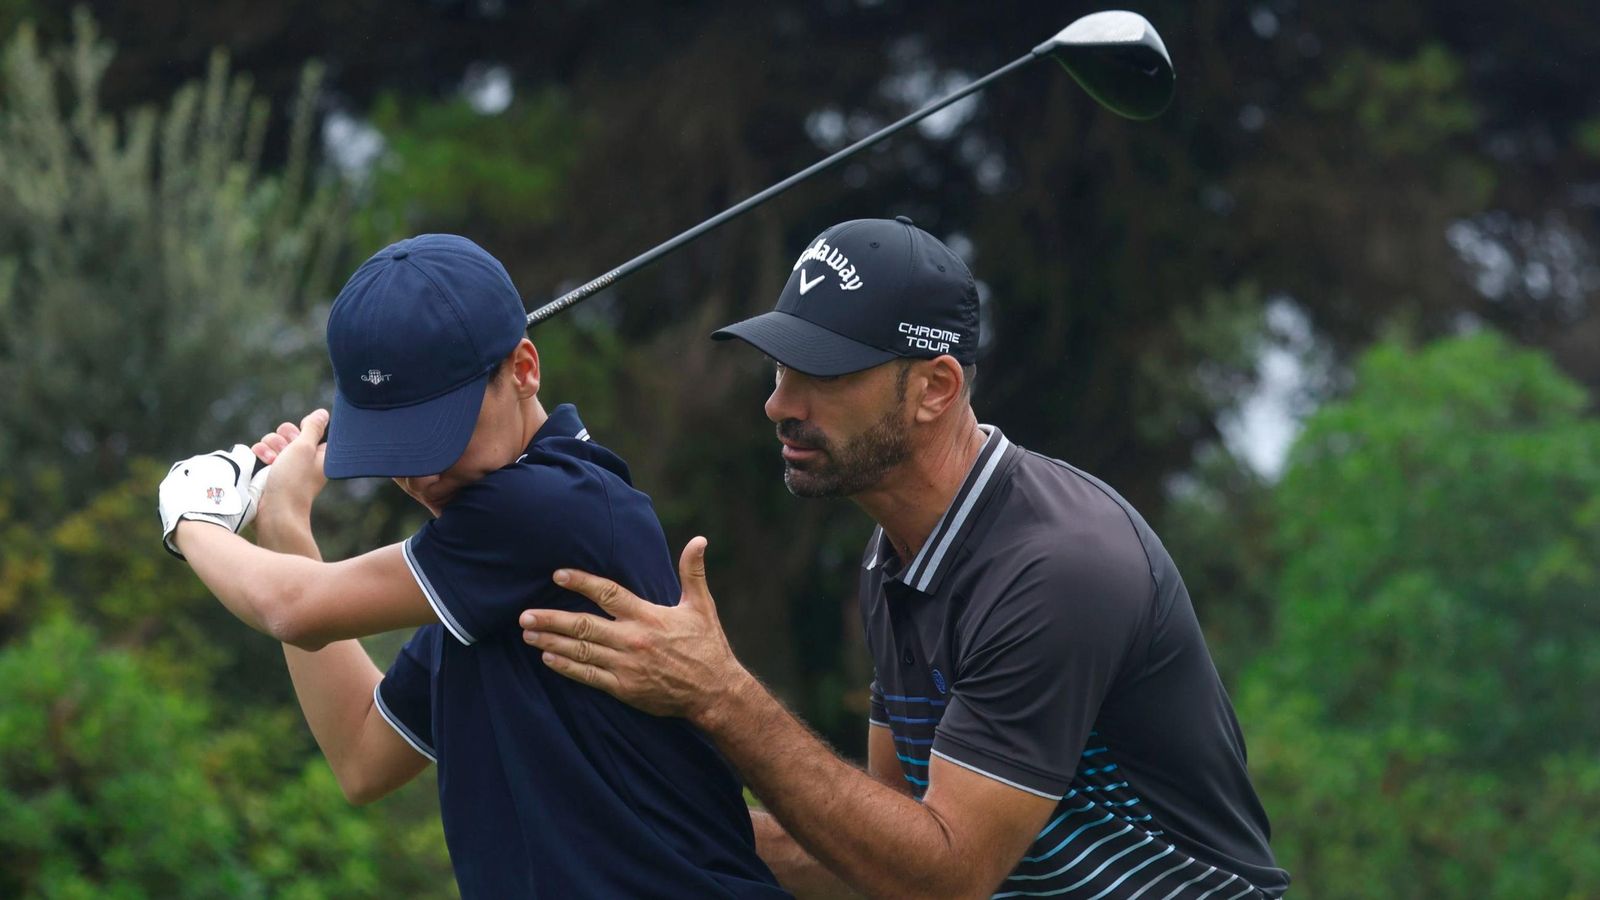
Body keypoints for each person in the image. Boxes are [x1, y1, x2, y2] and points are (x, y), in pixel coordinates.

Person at [518, 217, 1291, 899]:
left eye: (821, 373)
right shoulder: (895, 556)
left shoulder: (1057, 569)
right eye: (780, 368)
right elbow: (874, 851)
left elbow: (941, 879)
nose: (780, 403)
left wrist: (718, 694)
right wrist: (633, 816)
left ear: (935, 388)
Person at [156, 234, 788, 899]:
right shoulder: (479, 577)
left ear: (523, 369)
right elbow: (362, 755)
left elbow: (293, 609)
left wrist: (191, 514)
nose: (420, 474)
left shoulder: (550, 506)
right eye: (394, 445)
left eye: (440, 433)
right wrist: (285, 526)